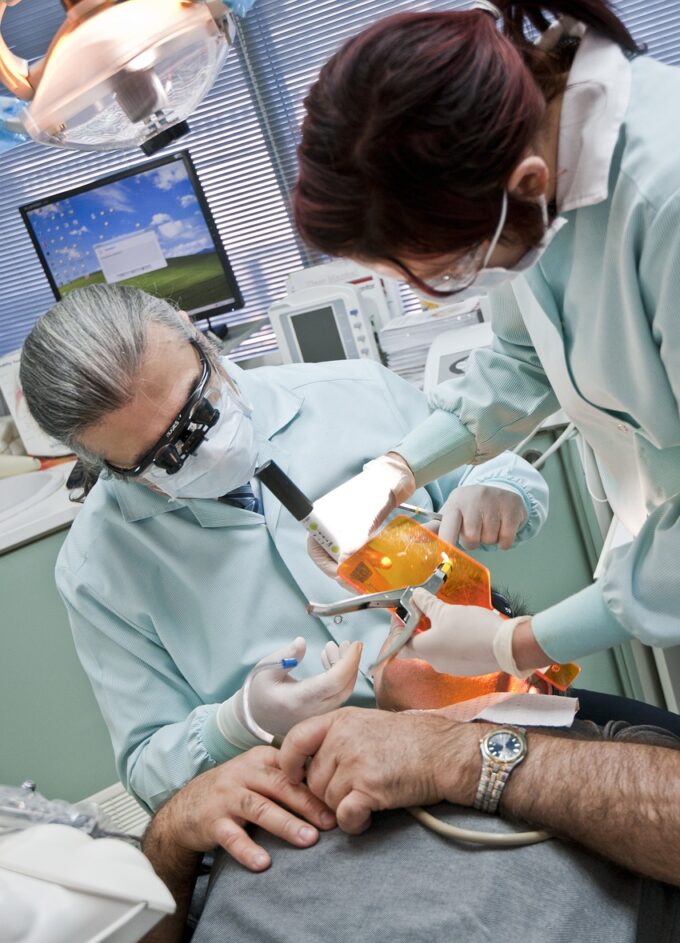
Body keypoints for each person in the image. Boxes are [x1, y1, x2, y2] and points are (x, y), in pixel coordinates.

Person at [19, 283, 548, 815]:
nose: (202, 448)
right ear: (105, 465)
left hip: (492, 706)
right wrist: (238, 722)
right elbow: (148, 771)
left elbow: (484, 459)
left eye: (200, 407)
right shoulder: (98, 564)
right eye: (163, 457)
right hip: (327, 793)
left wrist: (502, 487)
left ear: (193, 331)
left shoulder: (353, 390)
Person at [292, 2, 680, 683]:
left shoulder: (663, 198)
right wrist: (396, 471)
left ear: (524, 185)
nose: (431, 292)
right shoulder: (519, 172)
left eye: (446, 271)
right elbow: (525, 352)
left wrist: (519, 644)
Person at [89, 626, 680, 943]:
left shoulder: (614, 756)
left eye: (431, 611)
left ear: (529, 668)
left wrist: (460, 756)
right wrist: (172, 834)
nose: (400, 618)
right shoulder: (279, 776)